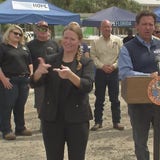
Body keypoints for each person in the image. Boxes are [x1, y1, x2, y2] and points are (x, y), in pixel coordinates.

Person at [118, 10, 160, 160]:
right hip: (139, 103)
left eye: (151, 24)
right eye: (144, 24)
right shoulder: (128, 48)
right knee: (140, 143)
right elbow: (124, 73)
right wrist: (148, 77)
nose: (148, 27)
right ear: (137, 26)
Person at [30, 24, 94, 160]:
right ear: (61, 39)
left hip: (77, 119)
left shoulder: (86, 62)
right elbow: (35, 83)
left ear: (79, 41)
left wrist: (71, 75)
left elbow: (87, 86)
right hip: (52, 119)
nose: (68, 42)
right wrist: (37, 73)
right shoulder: (50, 60)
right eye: (66, 38)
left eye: (72, 39)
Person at [90, 19, 124, 131]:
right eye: (105, 27)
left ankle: (116, 121)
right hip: (101, 72)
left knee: (115, 98)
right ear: (100, 28)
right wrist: (102, 66)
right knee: (99, 98)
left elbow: (122, 56)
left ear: (111, 28)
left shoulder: (118, 41)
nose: (107, 29)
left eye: (109, 27)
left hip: (114, 72)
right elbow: (93, 56)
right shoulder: (95, 42)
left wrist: (114, 66)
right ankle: (98, 122)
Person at [0, 25, 33, 140]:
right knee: (7, 106)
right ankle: (6, 130)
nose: (18, 35)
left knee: (20, 106)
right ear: (9, 33)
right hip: (10, 80)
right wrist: (3, 79)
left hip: (24, 80)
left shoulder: (23, 47)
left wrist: (31, 76)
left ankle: (20, 128)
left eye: (20, 34)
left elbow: (30, 62)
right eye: (15, 33)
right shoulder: (3, 47)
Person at [27, 20, 60, 122]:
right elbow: (27, 62)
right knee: (40, 101)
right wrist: (31, 75)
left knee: (55, 99)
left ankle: (53, 119)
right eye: (40, 28)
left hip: (53, 76)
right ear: (36, 30)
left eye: (45, 28)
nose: (43, 30)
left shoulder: (54, 43)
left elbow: (59, 59)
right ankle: (43, 122)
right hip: (38, 77)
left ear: (48, 30)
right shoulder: (30, 45)